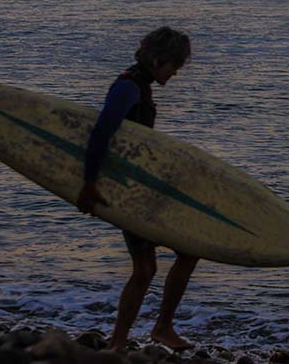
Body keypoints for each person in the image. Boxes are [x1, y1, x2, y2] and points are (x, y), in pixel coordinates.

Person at [76, 26, 197, 352]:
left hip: (130, 189)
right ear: (158, 59)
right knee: (187, 250)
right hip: (129, 194)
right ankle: (161, 328)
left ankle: (118, 343)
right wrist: (88, 185)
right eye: (174, 66)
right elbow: (101, 133)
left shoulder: (138, 83)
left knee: (145, 269)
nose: (174, 73)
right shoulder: (129, 87)